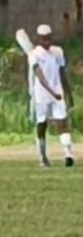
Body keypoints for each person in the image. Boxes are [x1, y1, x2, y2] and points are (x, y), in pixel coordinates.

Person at [29, 24, 75, 167]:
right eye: (43, 39)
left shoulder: (58, 52)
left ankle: (68, 155)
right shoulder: (34, 54)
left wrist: (68, 93)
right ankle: (43, 157)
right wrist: (52, 91)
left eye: (48, 38)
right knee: (42, 125)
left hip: (58, 94)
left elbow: (62, 73)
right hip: (42, 95)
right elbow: (40, 76)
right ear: (39, 39)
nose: (46, 42)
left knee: (62, 123)